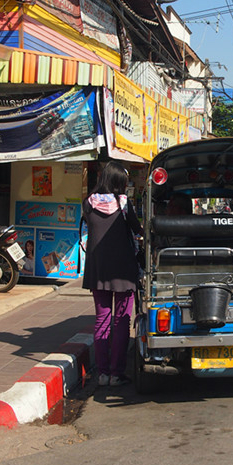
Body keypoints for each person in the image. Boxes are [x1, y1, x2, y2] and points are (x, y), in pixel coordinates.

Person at [82, 161, 143, 387]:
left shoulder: (88, 202)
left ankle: (103, 374)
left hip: (98, 269)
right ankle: (117, 374)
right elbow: (138, 230)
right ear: (119, 182)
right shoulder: (124, 204)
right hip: (124, 270)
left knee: (102, 321)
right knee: (121, 321)